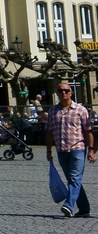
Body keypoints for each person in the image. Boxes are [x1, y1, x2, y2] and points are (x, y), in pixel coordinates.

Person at [44, 80, 94, 218]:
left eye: (66, 90)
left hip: (78, 148)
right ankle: (84, 209)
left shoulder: (80, 110)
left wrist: (91, 150)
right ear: (57, 93)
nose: (64, 93)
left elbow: (88, 130)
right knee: (73, 180)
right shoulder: (53, 111)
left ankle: (69, 205)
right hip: (61, 150)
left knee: (74, 178)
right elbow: (49, 132)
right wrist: (48, 151)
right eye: (60, 91)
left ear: (71, 92)